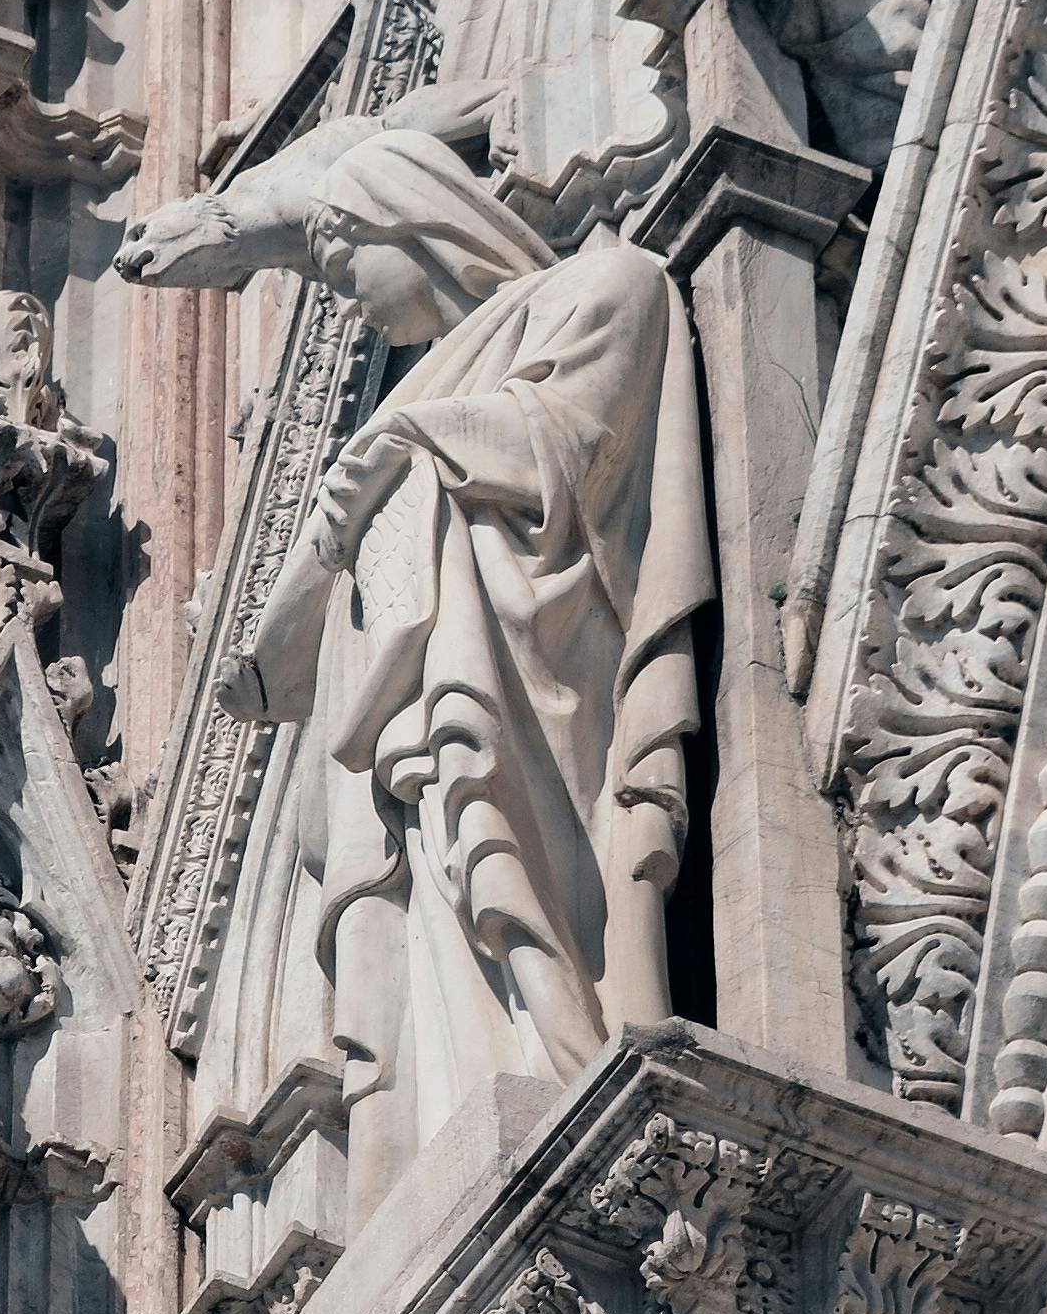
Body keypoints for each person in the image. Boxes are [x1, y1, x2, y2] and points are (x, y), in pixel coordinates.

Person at [224, 131, 711, 1139]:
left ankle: (573, 1038)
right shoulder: (416, 399)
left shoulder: (604, 285)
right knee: (455, 854)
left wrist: (415, 446)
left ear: (419, 224)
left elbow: (578, 441)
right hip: (443, 718)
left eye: (342, 257)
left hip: (538, 680)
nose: (345, 297)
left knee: (499, 812)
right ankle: (525, 1057)